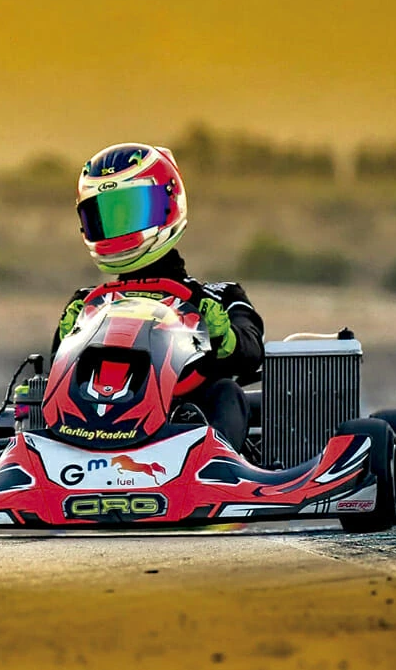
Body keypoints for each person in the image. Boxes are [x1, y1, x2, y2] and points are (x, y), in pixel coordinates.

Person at [50, 142, 264, 451]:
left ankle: (217, 467)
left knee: (226, 391)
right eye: (106, 216)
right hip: (91, 425)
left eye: (129, 212)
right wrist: (64, 339)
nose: (118, 227)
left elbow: (252, 352)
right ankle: (47, 463)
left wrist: (222, 335)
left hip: (184, 421)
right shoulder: (87, 303)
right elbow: (60, 372)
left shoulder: (218, 297)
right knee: (37, 393)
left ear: (169, 204)